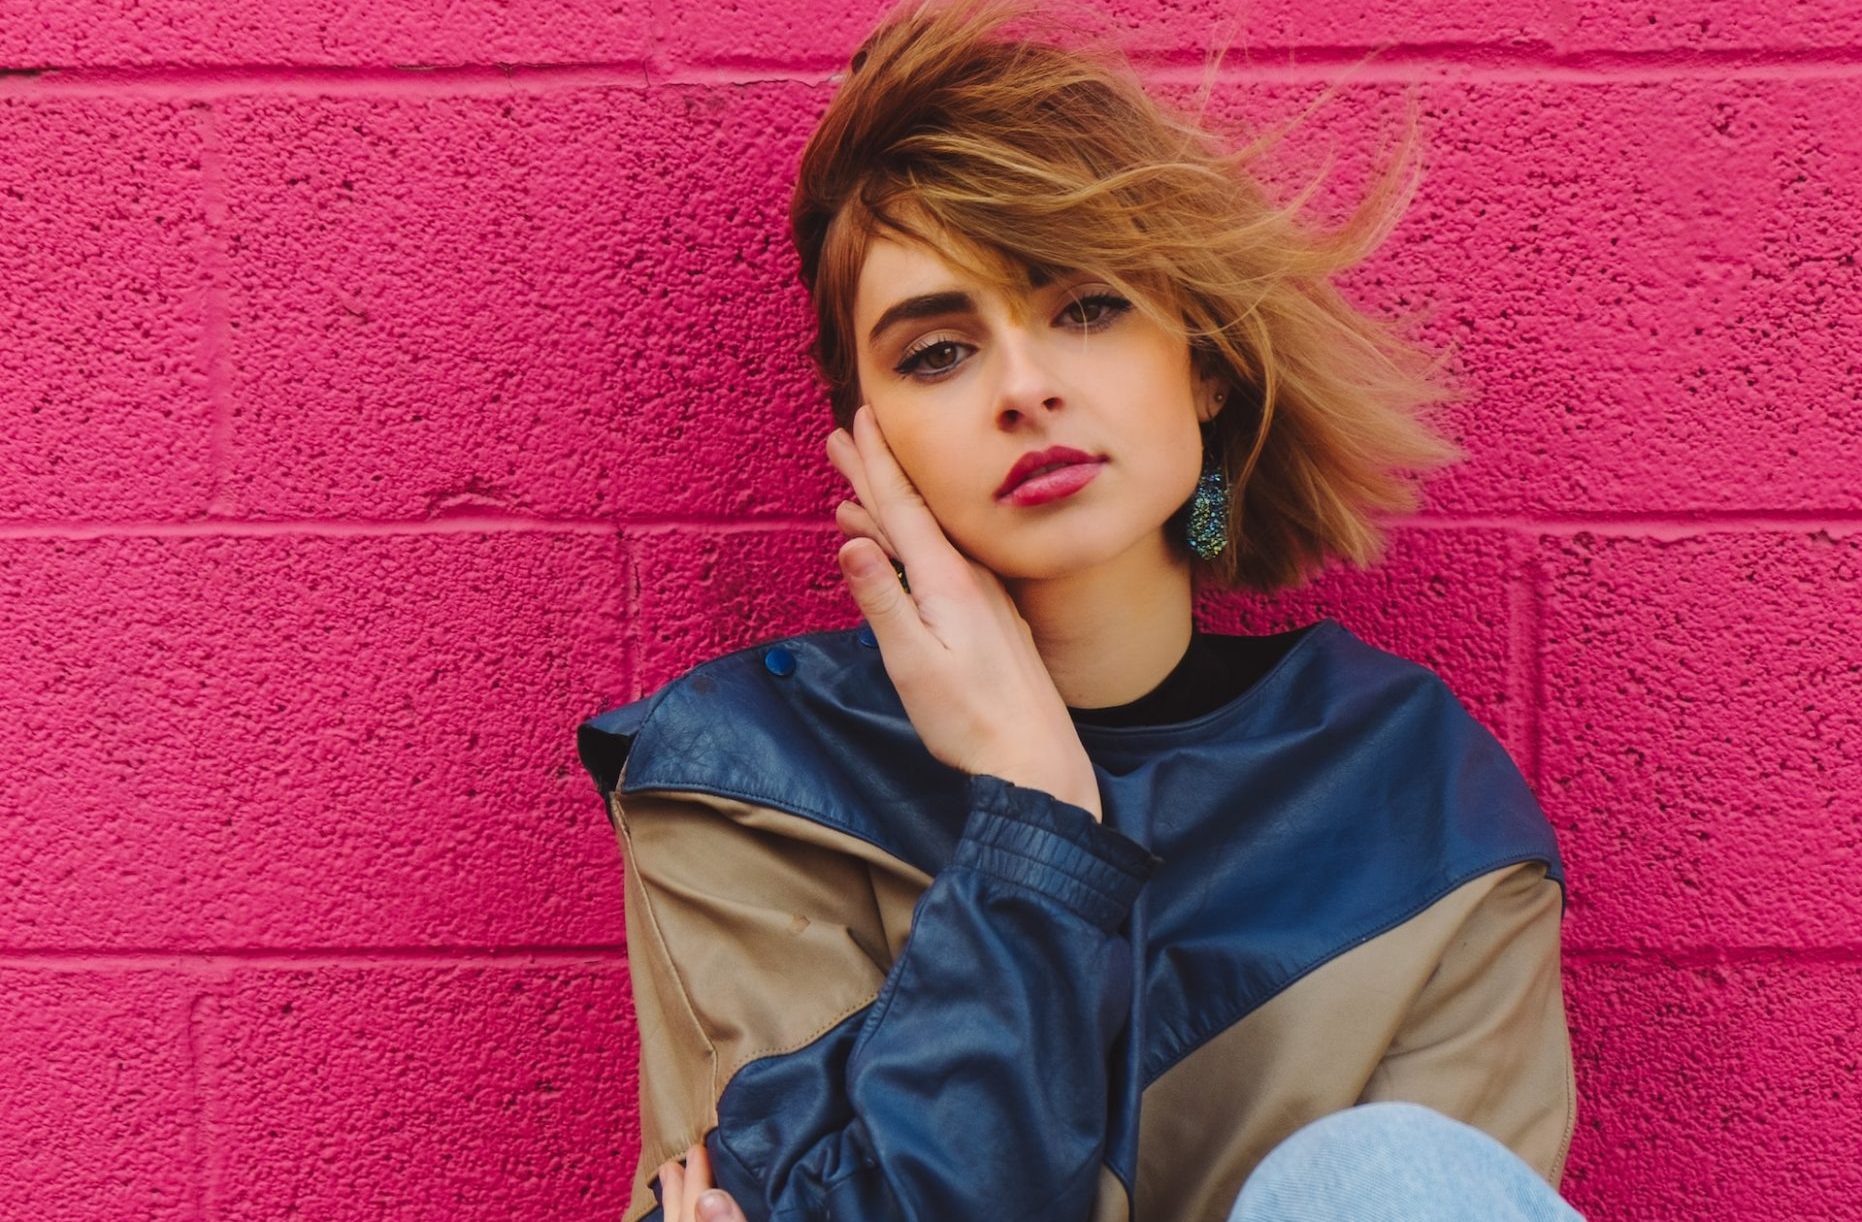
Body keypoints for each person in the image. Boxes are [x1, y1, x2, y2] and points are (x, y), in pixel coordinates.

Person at [574, 0, 1585, 1217]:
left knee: (1383, 1176)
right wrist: (1035, 817)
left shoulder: (1413, 799)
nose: (1025, 387)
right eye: (936, 351)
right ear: (867, 440)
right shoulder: (753, 774)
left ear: (1201, 362)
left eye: (1085, 308)